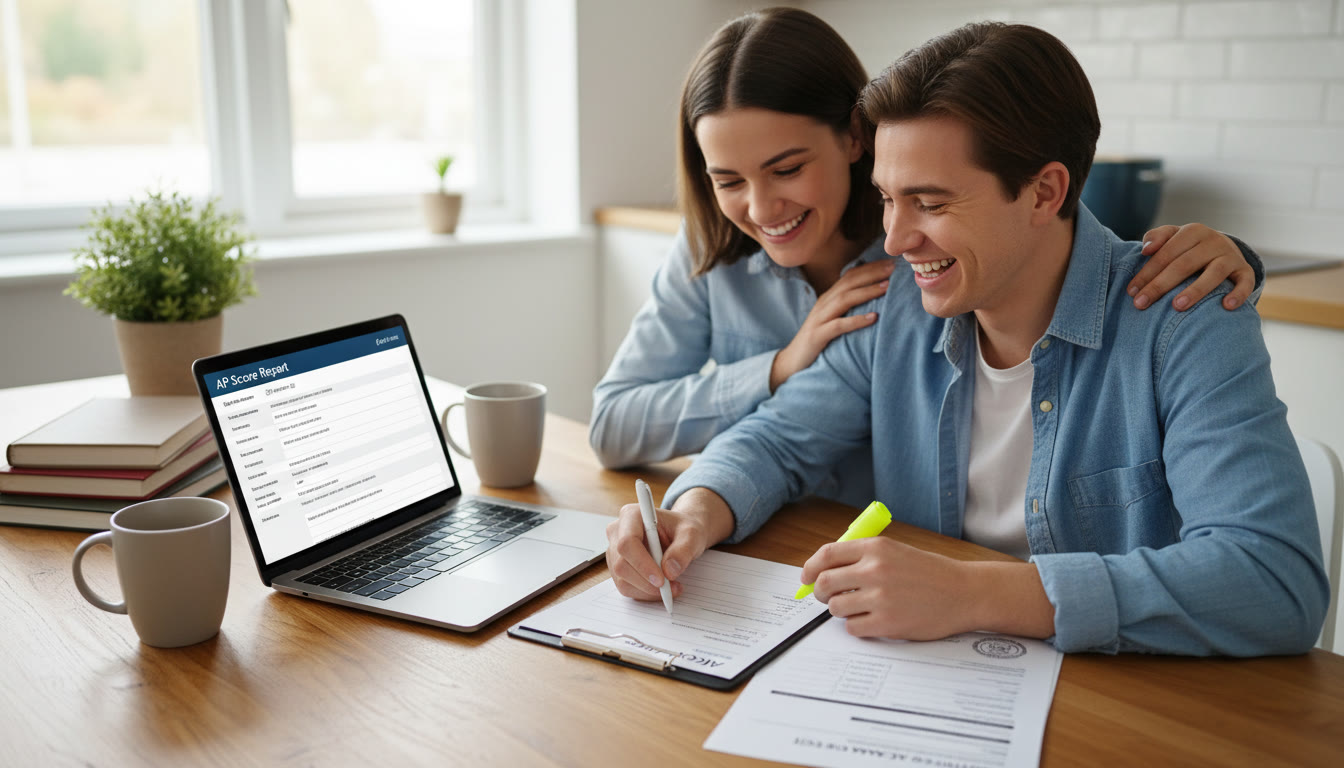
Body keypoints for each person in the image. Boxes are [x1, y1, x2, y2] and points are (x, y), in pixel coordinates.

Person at [605, 20, 1327, 656]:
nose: (893, 238)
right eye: (887, 199)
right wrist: (690, 514)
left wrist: (977, 594)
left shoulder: (1183, 316)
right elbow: (775, 440)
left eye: (930, 202)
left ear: (1045, 191)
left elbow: (1273, 580)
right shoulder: (900, 306)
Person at [589, 7, 1263, 512]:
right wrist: (701, 500)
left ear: (853, 140)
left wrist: (1236, 263)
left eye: (786, 168)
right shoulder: (888, 288)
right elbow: (769, 441)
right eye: (728, 180)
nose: (760, 208)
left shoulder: (921, 274)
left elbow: (1064, 250)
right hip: (832, 566)